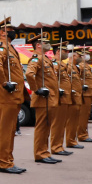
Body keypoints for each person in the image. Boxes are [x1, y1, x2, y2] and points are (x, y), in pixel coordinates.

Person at [0, 18, 26, 174]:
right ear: (3, 32)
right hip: (6, 95)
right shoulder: (1, 48)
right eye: (10, 29)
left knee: (10, 130)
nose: (13, 31)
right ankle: (4, 162)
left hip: (14, 96)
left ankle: (9, 160)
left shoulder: (10, 48)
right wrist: (4, 83)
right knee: (5, 131)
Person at [24, 34, 61, 165]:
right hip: (43, 98)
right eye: (45, 42)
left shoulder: (45, 58)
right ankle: (40, 153)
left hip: (49, 99)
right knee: (42, 127)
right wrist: (36, 89)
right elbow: (29, 74)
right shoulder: (36, 58)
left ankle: (44, 152)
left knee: (46, 127)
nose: (48, 43)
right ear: (38, 45)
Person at [51, 43, 74, 157]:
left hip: (65, 97)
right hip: (59, 97)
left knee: (62, 124)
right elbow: (53, 79)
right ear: (58, 52)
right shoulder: (55, 64)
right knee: (58, 123)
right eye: (65, 51)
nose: (67, 53)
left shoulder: (62, 65)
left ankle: (59, 146)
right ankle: (55, 146)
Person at [77, 50, 92, 143]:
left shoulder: (87, 66)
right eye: (85, 54)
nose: (87, 55)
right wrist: (81, 86)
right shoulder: (80, 66)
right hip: (84, 93)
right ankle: (82, 135)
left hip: (89, 93)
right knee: (83, 116)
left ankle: (84, 134)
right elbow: (77, 78)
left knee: (86, 115)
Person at [67, 51, 85, 150]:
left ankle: (72, 140)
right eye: (78, 56)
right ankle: (70, 140)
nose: (80, 58)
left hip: (77, 96)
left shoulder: (75, 67)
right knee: (71, 121)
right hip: (72, 97)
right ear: (73, 56)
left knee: (74, 120)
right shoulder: (68, 67)